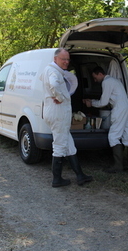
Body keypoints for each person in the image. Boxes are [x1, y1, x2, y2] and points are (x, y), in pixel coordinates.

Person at [41, 48, 93, 187]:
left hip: (53, 111)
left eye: (67, 59)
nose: (66, 62)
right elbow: (53, 84)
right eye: (63, 59)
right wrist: (61, 97)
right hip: (58, 113)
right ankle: (56, 180)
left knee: (69, 145)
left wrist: (60, 95)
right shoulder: (53, 71)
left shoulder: (50, 69)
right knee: (59, 145)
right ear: (55, 59)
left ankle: (80, 175)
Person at [83, 66, 128, 173]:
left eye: (95, 77)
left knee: (113, 136)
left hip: (119, 109)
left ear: (100, 74)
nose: (95, 80)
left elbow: (103, 102)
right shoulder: (115, 81)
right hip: (127, 108)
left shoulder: (106, 82)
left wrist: (91, 103)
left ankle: (118, 166)